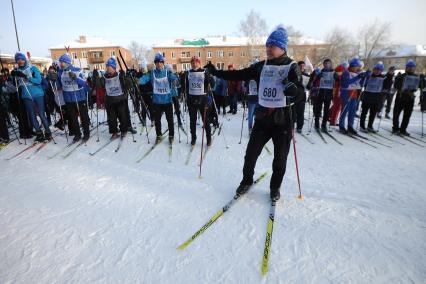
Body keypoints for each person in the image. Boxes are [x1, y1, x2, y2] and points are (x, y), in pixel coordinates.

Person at [205, 25, 304, 201]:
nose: (268, 49)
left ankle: (275, 187)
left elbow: (301, 92)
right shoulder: (261, 66)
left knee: (280, 159)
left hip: (283, 120)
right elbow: (238, 75)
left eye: (272, 46)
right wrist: (216, 72)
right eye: (267, 46)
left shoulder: (291, 66)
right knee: (251, 154)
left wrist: (293, 89)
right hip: (263, 119)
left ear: (282, 48)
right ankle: (246, 180)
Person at [11, 52, 51, 142]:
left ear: (25, 59)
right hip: (26, 96)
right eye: (18, 60)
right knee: (32, 115)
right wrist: (13, 77)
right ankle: (39, 133)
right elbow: (16, 85)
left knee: (41, 114)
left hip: (38, 94)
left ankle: (48, 132)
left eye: (21, 59)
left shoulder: (32, 68)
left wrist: (27, 77)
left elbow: (38, 81)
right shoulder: (17, 70)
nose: (20, 61)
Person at [139, 53, 177, 144]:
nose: (159, 64)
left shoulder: (167, 72)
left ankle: (171, 135)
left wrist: (175, 80)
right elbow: (144, 79)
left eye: (160, 62)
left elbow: (174, 78)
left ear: (163, 63)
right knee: (157, 120)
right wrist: (138, 81)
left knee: (170, 120)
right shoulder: (152, 73)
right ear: (155, 63)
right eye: (157, 62)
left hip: (167, 100)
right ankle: (158, 135)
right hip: (157, 101)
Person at [57, 53, 90, 142]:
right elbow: (59, 86)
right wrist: (53, 80)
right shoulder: (60, 72)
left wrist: (75, 78)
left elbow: (84, 83)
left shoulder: (77, 70)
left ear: (67, 62)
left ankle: (86, 133)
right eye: (60, 62)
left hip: (79, 97)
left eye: (62, 62)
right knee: (72, 118)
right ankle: (77, 134)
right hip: (68, 98)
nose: (60, 64)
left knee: (83, 117)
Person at [184, 56, 214, 146]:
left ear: (199, 63)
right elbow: (185, 86)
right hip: (191, 100)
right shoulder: (188, 73)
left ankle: (208, 138)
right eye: (192, 62)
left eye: (196, 62)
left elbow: (212, 84)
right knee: (192, 120)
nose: (194, 64)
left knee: (205, 120)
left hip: (202, 99)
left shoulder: (204, 72)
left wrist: (210, 78)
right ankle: (193, 138)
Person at [103, 57, 130, 139]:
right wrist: (96, 79)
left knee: (122, 116)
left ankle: (124, 130)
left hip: (120, 99)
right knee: (111, 118)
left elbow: (128, 85)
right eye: (107, 66)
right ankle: (114, 132)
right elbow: (99, 85)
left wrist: (125, 77)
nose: (108, 68)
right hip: (110, 100)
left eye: (109, 67)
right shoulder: (104, 77)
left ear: (114, 68)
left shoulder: (119, 76)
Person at [392, 59, 420, 136]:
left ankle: (403, 129)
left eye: (412, 67)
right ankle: (395, 128)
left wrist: (423, 80)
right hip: (401, 97)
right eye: (409, 67)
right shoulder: (401, 76)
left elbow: (419, 86)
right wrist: (400, 80)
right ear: (406, 68)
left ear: (414, 68)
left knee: (407, 115)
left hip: (410, 97)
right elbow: (396, 85)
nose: (411, 68)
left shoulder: (416, 77)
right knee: (396, 113)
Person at [339, 57, 366, 134]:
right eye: (356, 67)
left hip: (354, 94)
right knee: (344, 110)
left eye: (358, 67)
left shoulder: (358, 73)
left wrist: (364, 77)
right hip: (346, 93)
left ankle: (350, 126)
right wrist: (358, 77)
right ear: (352, 66)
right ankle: (341, 126)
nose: (357, 68)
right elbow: (346, 83)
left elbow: (360, 84)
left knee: (352, 111)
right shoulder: (346, 72)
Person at [359, 62, 385, 132]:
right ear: (373, 69)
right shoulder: (369, 76)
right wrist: (365, 76)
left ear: (381, 71)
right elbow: (362, 83)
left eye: (379, 70)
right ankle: (362, 126)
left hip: (376, 96)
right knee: (364, 112)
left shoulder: (383, 77)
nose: (377, 71)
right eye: (376, 69)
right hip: (367, 95)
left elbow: (387, 85)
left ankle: (370, 126)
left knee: (373, 113)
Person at [312, 59, 337, 132]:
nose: (327, 65)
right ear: (323, 64)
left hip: (329, 93)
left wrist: (337, 78)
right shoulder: (321, 72)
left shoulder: (333, 72)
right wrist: (318, 76)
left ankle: (324, 124)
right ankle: (316, 123)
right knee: (318, 109)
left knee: (326, 110)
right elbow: (314, 82)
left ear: (331, 64)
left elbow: (338, 81)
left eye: (328, 64)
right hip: (320, 93)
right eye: (325, 64)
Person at [295, 61, 308, 132]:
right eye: (300, 66)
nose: (302, 67)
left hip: (302, 96)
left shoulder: (306, 75)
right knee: (293, 113)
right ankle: (290, 126)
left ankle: (299, 127)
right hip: (294, 96)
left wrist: (311, 82)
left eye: (303, 66)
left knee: (300, 113)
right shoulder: (294, 74)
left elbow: (308, 86)